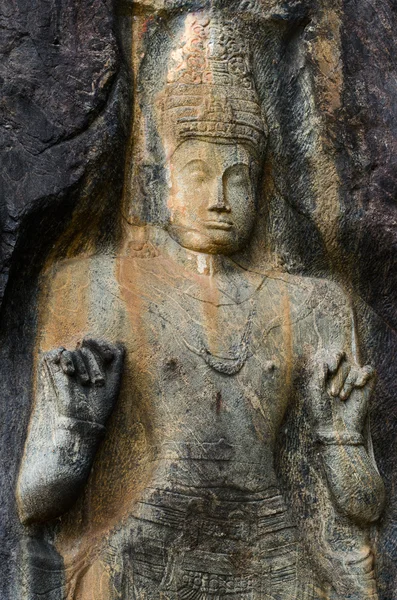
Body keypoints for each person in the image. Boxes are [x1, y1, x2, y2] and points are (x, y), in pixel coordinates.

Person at [17, 10, 384, 600]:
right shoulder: (92, 287)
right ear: (157, 176)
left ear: (264, 182)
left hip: (273, 554)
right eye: (198, 171)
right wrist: (72, 428)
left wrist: (340, 439)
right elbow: (34, 502)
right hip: (144, 551)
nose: (219, 198)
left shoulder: (316, 302)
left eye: (238, 177)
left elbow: (363, 506)